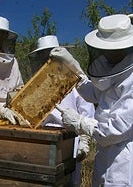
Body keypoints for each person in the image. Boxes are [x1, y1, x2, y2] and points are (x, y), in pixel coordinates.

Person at [51, 14, 133, 186]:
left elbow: (117, 130)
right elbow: (95, 93)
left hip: (124, 160)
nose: (104, 53)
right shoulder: (116, 69)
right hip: (106, 155)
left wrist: (81, 123)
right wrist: (73, 68)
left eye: (109, 49)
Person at [28, 35, 95, 187]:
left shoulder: (75, 82)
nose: (47, 60)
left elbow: (87, 112)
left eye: (50, 55)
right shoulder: (36, 85)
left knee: (69, 180)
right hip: (42, 140)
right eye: (43, 56)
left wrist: (84, 141)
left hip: (69, 139)